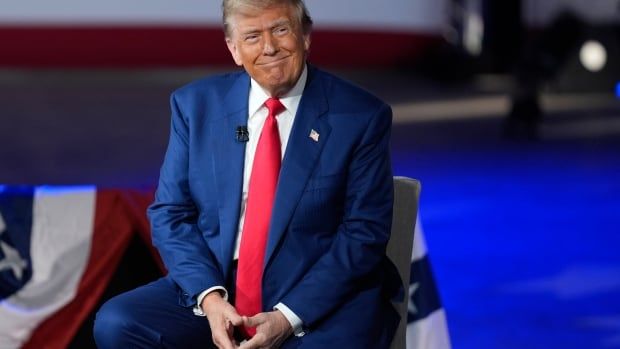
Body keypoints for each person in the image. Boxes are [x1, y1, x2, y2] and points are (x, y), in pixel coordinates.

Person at [94, 1, 401, 348]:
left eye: (281, 30)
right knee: (120, 323)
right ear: (234, 49)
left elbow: (363, 232)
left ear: (306, 35)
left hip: (317, 293)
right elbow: (170, 214)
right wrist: (210, 298)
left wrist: (288, 316)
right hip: (223, 282)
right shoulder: (196, 106)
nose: (269, 47)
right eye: (253, 36)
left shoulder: (359, 116)